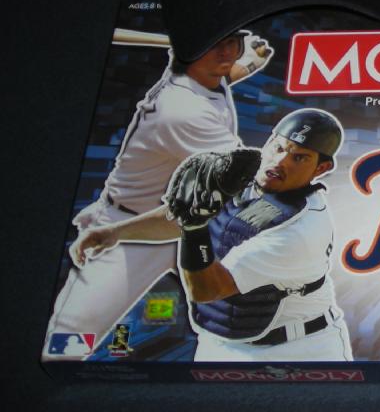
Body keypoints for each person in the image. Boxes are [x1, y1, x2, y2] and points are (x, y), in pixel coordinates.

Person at [45, 30, 273, 356]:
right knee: (69, 340)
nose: (225, 54)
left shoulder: (199, 77)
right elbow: (239, 175)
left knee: (253, 311)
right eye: (214, 46)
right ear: (186, 56)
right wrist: (114, 233)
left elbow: (222, 78)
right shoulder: (183, 111)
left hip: (186, 222)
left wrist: (247, 63)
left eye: (230, 44)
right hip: (132, 232)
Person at [69, 108, 351, 361]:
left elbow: (207, 290)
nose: (280, 161)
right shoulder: (245, 172)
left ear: (321, 168)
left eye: (299, 157)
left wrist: (194, 228)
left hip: (298, 351)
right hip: (220, 343)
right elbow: (184, 212)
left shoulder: (301, 230)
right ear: (268, 142)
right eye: (278, 147)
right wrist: (115, 231)